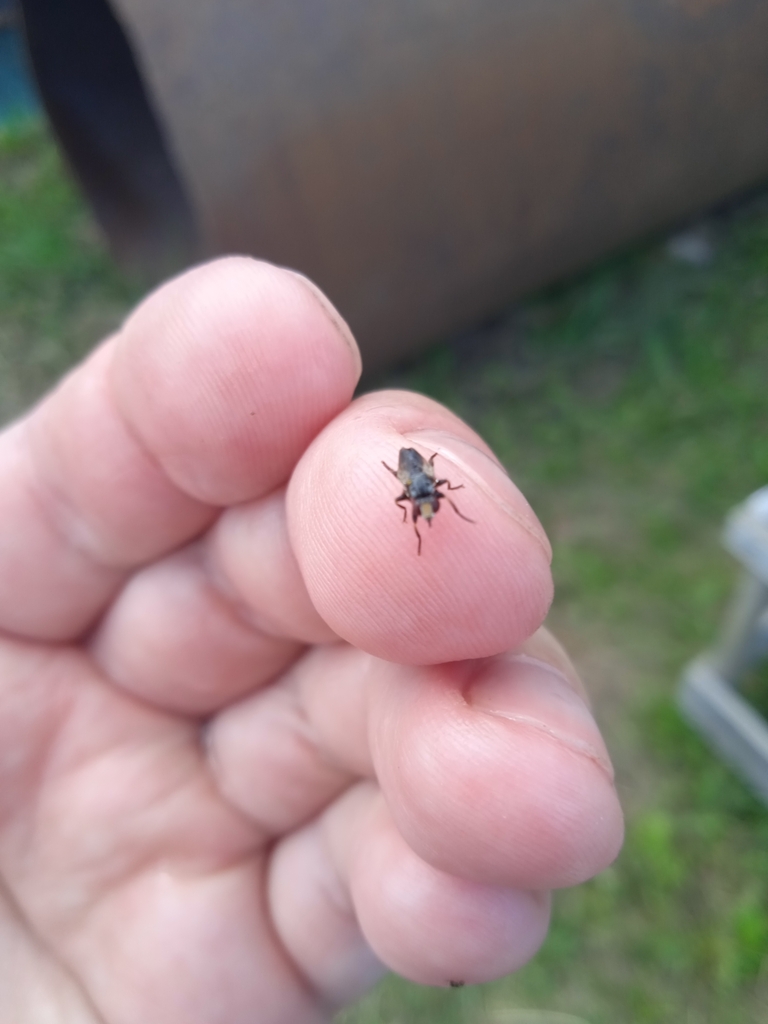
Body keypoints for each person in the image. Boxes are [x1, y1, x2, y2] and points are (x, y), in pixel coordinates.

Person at [0, 258, 623, 1023]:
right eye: (423, 502)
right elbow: (409, 481)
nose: (424, 503)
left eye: (425, 501)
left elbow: (422, 482)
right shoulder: (410, 488)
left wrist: (426, 504)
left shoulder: (422, 490)